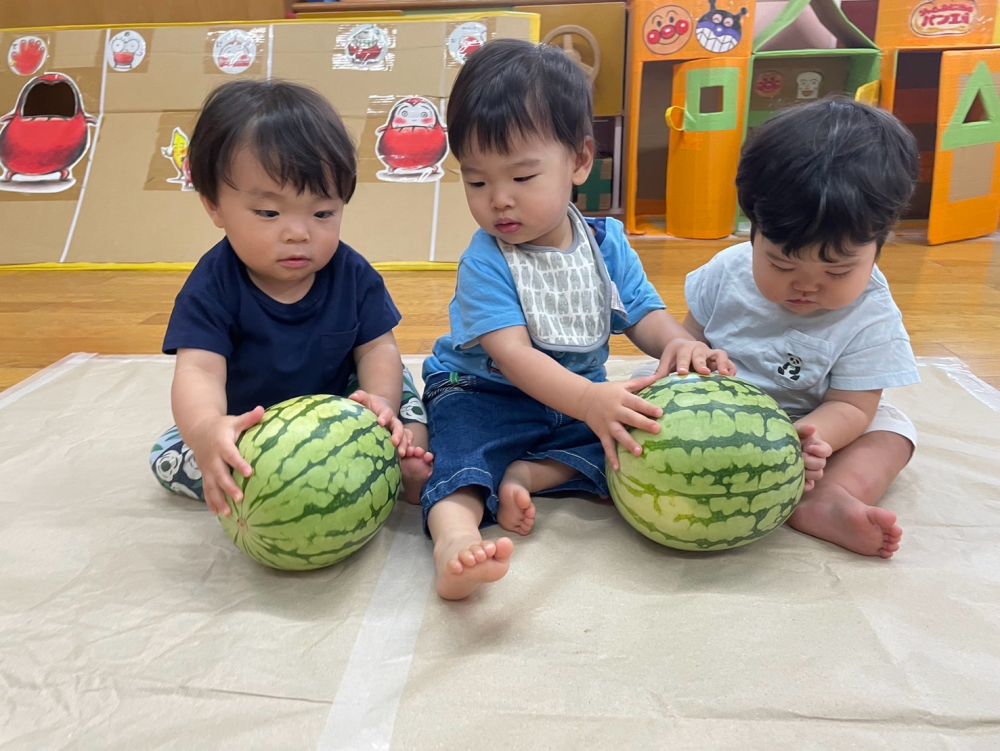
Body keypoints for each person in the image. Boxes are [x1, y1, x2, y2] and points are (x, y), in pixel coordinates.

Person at [420, 39, 733, 600]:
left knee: (630, 444)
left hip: (573, 396)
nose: (499, 201)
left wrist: (683, 345)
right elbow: (513, 355)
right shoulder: (487, 259)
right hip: (483, 390)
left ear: (580, 161)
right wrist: (590, 402)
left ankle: (532, 475)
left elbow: (643, 313)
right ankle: (454, 537)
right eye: (476, 181)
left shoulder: (603, 243)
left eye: (521, 177)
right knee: (465, 454)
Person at [149, 79, 433, 514]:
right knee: (170, 458)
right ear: (213, 205)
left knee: (406, 399)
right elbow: (200, 372)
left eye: (323, 213)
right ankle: (273, 482)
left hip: (343, 405)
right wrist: (209, 430)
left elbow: (377, 348)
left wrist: (381, 403)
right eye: (269, 212)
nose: (299, 232)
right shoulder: (212, 286)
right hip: (253, 421)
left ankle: (401, 463)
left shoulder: (352, 273)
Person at [679, 97, 921, 559]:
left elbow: (853, 406)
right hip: (713, 418)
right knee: (636, 401)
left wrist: (804, 440)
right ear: (753, 230)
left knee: (893, 434)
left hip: (813, 428)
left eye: (836, 273)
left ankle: (828, 497)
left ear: (878, 246)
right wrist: (690, 360)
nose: (806, 287)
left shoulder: (871, 310)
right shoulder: (726, 271)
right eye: (781, 263)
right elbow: (690, 338)